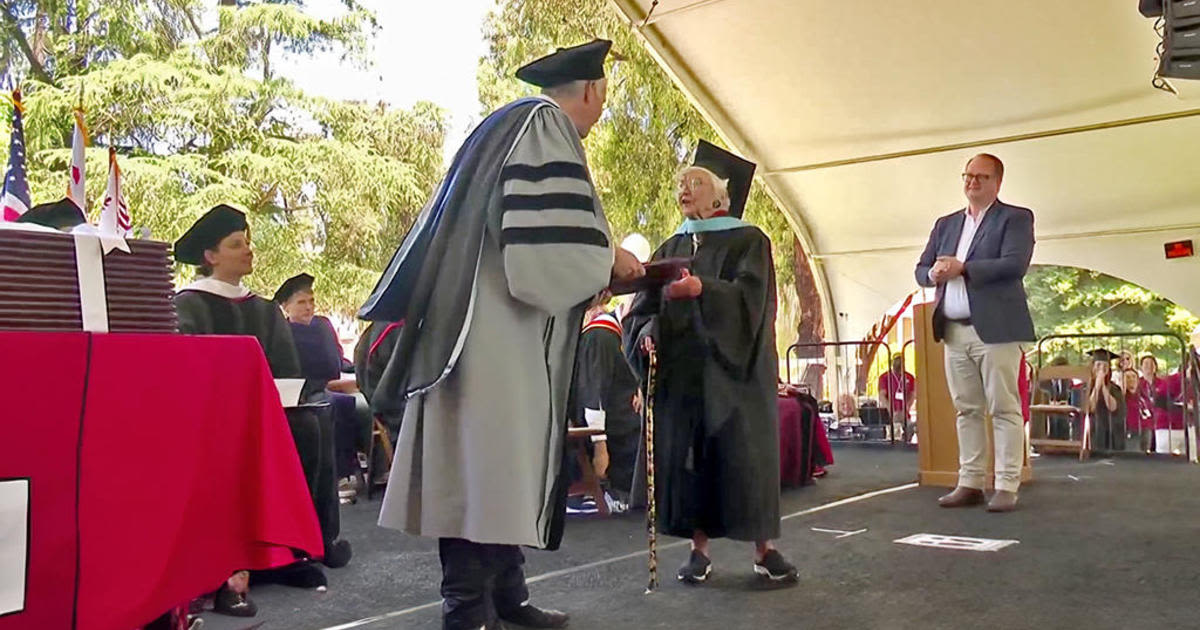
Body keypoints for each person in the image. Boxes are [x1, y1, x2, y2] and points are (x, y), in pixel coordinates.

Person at [360, 40, 644, 630]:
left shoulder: (503, 126)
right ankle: (467, 613)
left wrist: (590, 281)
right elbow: (543, 260)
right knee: (480, 479)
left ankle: (506, 597)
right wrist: (606, 260)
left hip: (480, 333)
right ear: (590, 92)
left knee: (492, 475)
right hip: (494, 344)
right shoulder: (544, 126)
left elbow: (520, 243)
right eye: (603, 100)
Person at [624, 140, 798, 586]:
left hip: (736, 374)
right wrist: (646, 337)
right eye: (682, 183)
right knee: (691, 461)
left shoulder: (749, 240)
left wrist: (704, 290)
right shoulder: (671, 244)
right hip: (685, 377)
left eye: (695, 182)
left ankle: (764, 550)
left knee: (744, 459)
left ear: (720, 195)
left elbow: (753, 302)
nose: (684, 189)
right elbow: (643, 310)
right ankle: (697, 550)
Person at [173, 205, 349, 617]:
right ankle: (225, 565)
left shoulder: (264, 308)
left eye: (248, 242)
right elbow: (188, 369)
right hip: (211, 419)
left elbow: (287, 369)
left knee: (312, 422)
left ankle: (294, 549)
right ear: (210, 256)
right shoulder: (188, 305)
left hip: (268, 414)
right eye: (237, 244)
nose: (248, 251)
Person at [914, 153, 1035, 513]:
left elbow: (1015, 265)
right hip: (953, 330)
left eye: (981, 177)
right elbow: (921, 268)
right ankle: (969, 481)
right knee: (966, 409)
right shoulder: (946, 223)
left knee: (1003, 408)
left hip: (995, 330)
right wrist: (933, 274)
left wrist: (964, 268)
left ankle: (1007, 483)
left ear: (998, 182)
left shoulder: (1015, 218)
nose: (972, 183)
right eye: (968, 176)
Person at [274, 273, 371, 502]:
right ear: (286, 307)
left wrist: (356, 374)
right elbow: (293, 372)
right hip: (308, 389)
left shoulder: (323, 325)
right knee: (338, 404)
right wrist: (337, 385)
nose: (308, 307)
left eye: (311, 301)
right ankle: (340, 475)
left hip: (338, 381)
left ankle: (375, 468)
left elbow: (338, 360)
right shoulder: (284, 334)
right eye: (301, 302)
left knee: (369, 402)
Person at [572, 292, 641, 510]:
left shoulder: (629, 333)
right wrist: (600, 447)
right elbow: (592, 394)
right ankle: (614, 494)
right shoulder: (600, 335)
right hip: (609, 429)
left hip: (626, 419)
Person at [1085, 349, 1124, 452]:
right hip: (1091, 434)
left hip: (1110, 434)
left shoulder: (1115, 389)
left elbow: (1113, 407)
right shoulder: (1084, 387)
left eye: (1105, 366)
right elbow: (1090, 408)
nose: (1101, 369)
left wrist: (1103, 386)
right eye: (1098, 365)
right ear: (1092, 367)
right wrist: (1097, 387)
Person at [877, 356, 916, 440]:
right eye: (896, 361)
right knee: (893, 434)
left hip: (905, 414)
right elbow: (882, 395)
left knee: (910, 429)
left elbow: (912, 394)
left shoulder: (910, 377)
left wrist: (907, 407)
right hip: (890, 415)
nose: (899, 364)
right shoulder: (884, 377)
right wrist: (890, 409)